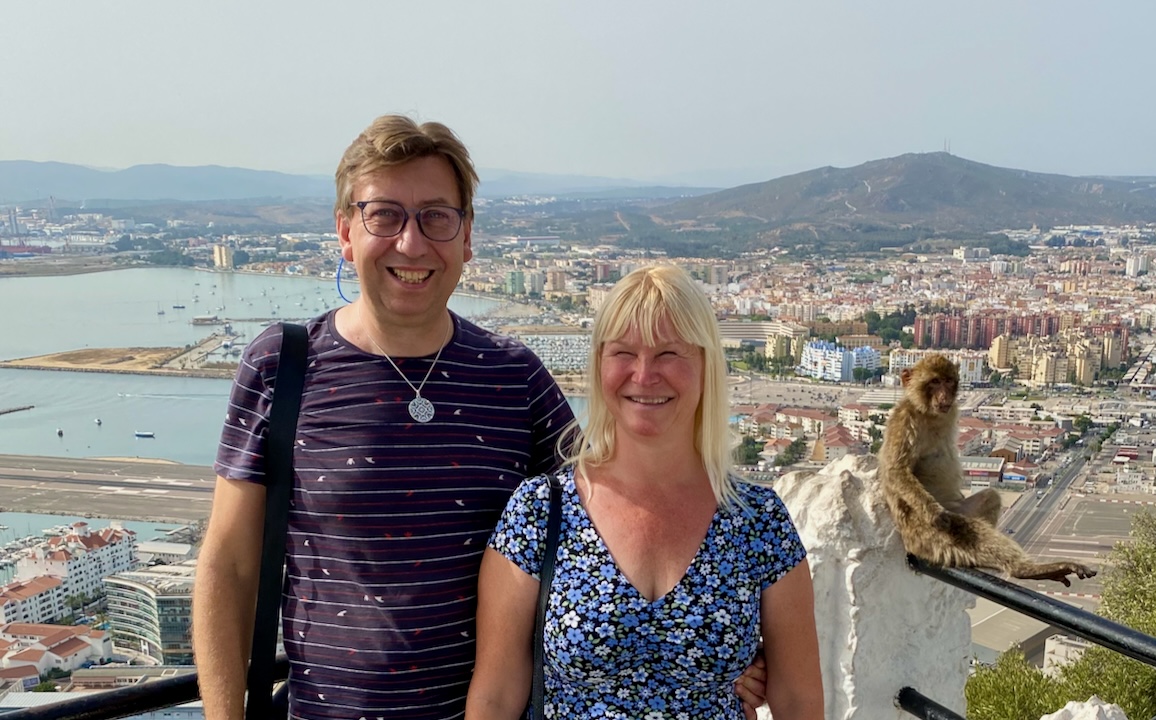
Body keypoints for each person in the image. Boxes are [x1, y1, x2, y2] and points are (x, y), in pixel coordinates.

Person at [192, 115, 766, 720]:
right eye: (384, 214)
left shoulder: (514, 377)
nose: (411, 243)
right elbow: (229, 564)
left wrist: (721, 649)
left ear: (466, 238)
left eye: (436, 216)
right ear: (345, 231)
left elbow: (620, 519)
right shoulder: (283, 367)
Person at [466, 266, 822, 719]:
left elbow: (799, 701)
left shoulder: (759, 520)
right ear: (599, 364)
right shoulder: (539, 511)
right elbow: (495, 695)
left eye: (669, 353)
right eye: (623, 353)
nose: (644, 374)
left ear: (706, 365)